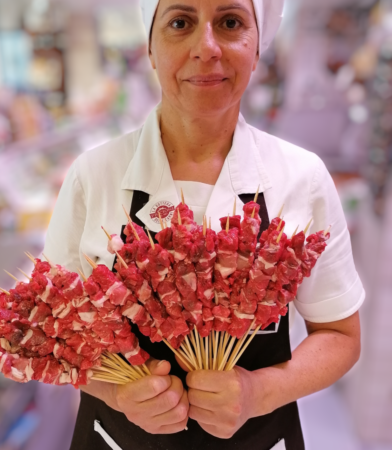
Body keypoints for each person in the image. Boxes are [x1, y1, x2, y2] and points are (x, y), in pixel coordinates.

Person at [43, 1, 365, 448]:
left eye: (230, 23)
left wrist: (260, 392)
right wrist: (118, 393)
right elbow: (58, 336)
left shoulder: (300, 178)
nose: (206, 47)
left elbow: (339, 334)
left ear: (257, 49)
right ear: (151, 48)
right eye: (180, 23)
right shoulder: (93, 176)